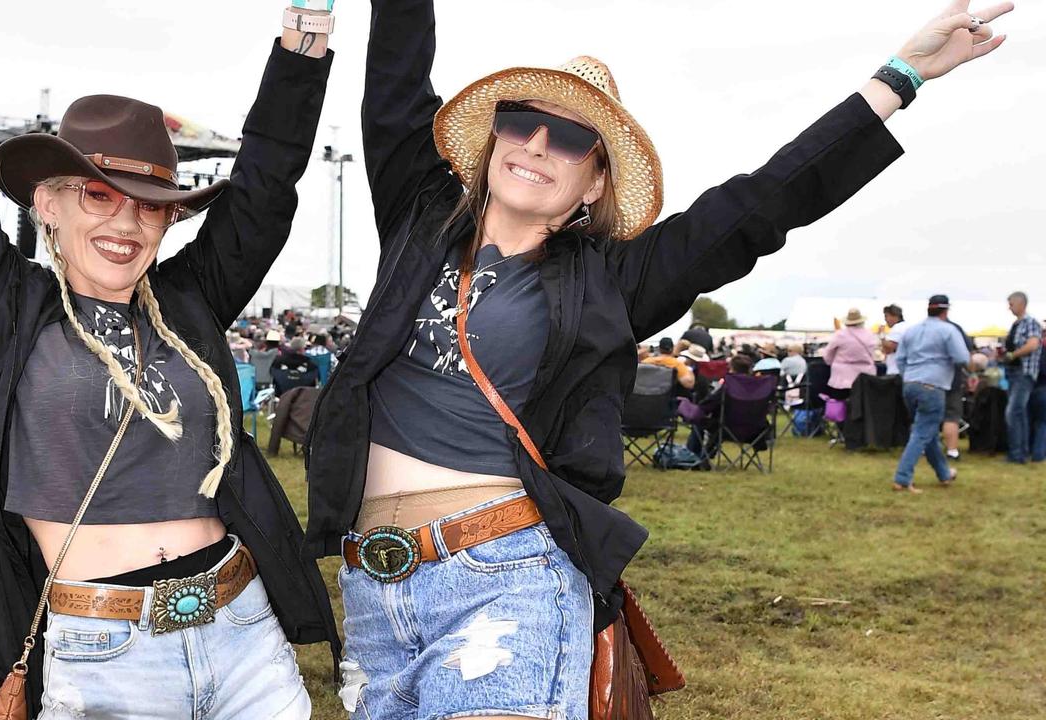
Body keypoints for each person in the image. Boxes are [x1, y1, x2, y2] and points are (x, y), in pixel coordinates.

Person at [302, 1, 1012, 716]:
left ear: (598, 182)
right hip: (373, 583)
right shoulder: (420, 218)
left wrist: (900, 76)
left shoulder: (610, 280)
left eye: (573, 138)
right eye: (520, 121)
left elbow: (761, 204)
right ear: (493, 142)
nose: (537, 144)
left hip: (505, 575)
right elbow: (395, 85)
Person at [0, 0, 338, 717]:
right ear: (48, 203)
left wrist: (304, 40)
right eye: (99, 196)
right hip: (105, 656)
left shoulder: (191, 300)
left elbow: (264, 189)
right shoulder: (6, 301)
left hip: (243, 636)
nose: (125, 222)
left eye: (150, 205)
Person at [892, 294, 970, 492]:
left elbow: (900, 359)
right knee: (921, 432)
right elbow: (962, 357)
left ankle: (944, 474)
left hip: (910, 383)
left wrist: (909, 376)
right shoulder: (948, 330)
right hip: (933, 385)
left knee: (927, 431)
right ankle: (902, 477)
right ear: (946, 311)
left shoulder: (912, 331)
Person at [935, 297, 976, 460]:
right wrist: (971, 372)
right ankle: (952, 451)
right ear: (946, 310)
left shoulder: (919, 329)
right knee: (951, 415)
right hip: (951, 378)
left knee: (928, 415)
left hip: (926, 380)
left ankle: (925, 448)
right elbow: (965, 356)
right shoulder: (954, 329)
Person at [1003, 291, 1041, 464]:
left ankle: (1016, 454)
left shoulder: (1030, 323)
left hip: (1023, 373)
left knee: (1013, 412)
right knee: (1020, 414)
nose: (1009, 307)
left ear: (1021, 304)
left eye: (1011, 304)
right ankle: (1021, 452)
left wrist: (1013, 355)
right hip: (1013, 373)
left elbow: (1033, 345)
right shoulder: (1015, 324)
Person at [822, 308, 879, 399]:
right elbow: (873, 354)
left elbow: (828, 353)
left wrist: (830, 362)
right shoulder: (870, 335)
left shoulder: (840, 335)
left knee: (841, 404)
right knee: (863, 405)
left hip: (842, 376)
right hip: (865, 375)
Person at [1030, 323, 1046, 462]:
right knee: (1042, 423)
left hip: (1035, 386)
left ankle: (1033, 451)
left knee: (1036, 422)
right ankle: (1039, 453)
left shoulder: (1038, 348)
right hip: (1042, 387)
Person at [882, 303, 909, 375]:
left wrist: (882, 338)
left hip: (895, 371)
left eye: (886, 316)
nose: (885, 319)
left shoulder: (897, 328)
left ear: (894, 316)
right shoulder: (907, 326)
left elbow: (889, 348)